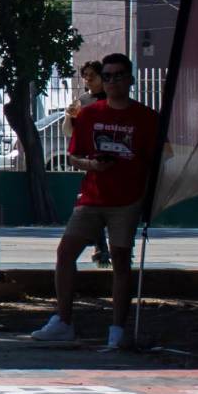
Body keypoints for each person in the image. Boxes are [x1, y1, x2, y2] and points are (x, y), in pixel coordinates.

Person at [32, 52, 160, 350]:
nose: (113, 81)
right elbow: (74, 156)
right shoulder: (90, 114)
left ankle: (118, 329)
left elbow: (155, 160)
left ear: (130, 79)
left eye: (119, 76)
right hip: (91, 197)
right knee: (66, 253)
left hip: (127, 200)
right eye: (108, 76)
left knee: (120, 261)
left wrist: (147, 197)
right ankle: (63, 321)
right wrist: (92, 164)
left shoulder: (147, 118)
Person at [69, 60, 111, 267]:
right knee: (92, 204)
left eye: (92, 75)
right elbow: (72, 130)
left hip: (113, 157)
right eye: (85, 76)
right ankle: (101, 247)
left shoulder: (111, 98)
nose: (88, 80)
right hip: (91, 159)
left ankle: (111, 246)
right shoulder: (83, 100)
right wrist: (70, 117)